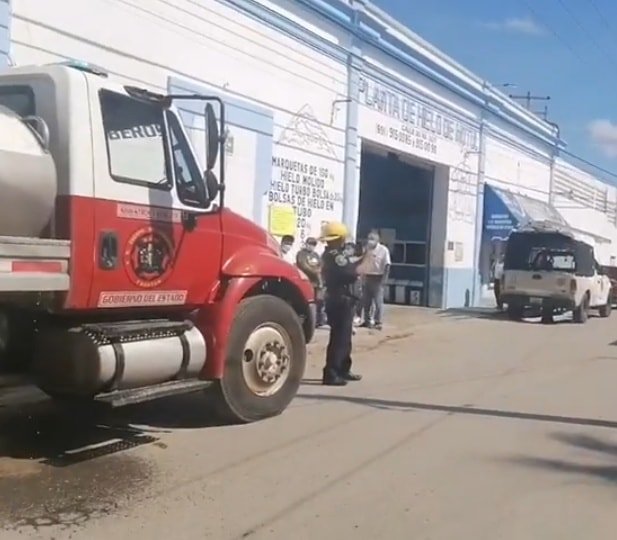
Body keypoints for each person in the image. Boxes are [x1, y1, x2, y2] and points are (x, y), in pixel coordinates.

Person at [320, 222, 369, 386]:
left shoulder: (333, 254)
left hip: (342, 299)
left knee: (345, 337)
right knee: (339, 338)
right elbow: (349, 272)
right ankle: (332, 373)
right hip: (340, 300)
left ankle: (343, 369)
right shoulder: (335, 256)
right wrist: (362, 264)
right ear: (340, 238)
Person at [360, 230, 391, 330]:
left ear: (378, 240)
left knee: (378, 302)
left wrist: (384, 279)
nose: (370, 241)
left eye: (372, 239)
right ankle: (367, 320)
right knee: (366, 301)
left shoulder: (383, 250)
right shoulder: (366, 250)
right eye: (369, 238)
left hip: (378, 277)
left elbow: (387, 265)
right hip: (367, 276)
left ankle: (378, 321)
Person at [296, 237, 326, 327]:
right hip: (306, 281)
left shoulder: (316, 255)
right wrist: (314, 271)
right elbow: (303, 265)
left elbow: (321, 265)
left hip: (316, 282)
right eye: (310, 244)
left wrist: (319, 272)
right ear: (306, 244)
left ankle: (318, 320)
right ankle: (304, 320)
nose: (311, 246)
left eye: (313, 245)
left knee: (318, 302)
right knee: (305, 302)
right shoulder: (301, 254)